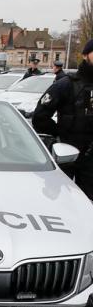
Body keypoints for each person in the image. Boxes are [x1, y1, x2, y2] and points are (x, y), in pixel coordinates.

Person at [32, 39, 93, 199]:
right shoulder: (67, 84)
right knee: (62, 202)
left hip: (91, 159)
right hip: (67, 154)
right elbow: (40, 117)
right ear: (86, 55)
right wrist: (60, 135)